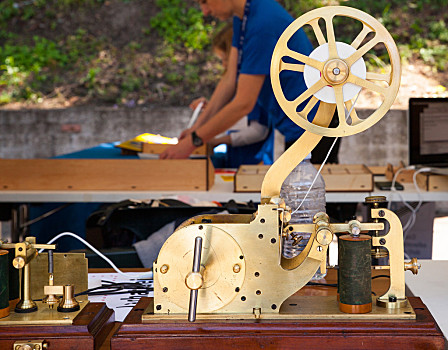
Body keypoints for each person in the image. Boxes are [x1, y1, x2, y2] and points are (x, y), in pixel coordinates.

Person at [160, 0, 317, 161]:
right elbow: (229, 79)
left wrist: (193, 142)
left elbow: (244, 103)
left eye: (205, 2)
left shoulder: (261, 23)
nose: (205, 11)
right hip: (298, 125)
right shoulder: (243, 17)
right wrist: (196, 129)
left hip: (315, 124)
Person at [190, 23, 270, 168]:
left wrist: (217, 140)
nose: (224, 65)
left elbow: (258, 131)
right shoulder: (237, 85)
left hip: (253, 163)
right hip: (236, 160)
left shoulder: (253, 87)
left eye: (225, 59)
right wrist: (209, 110)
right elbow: (235, 117)